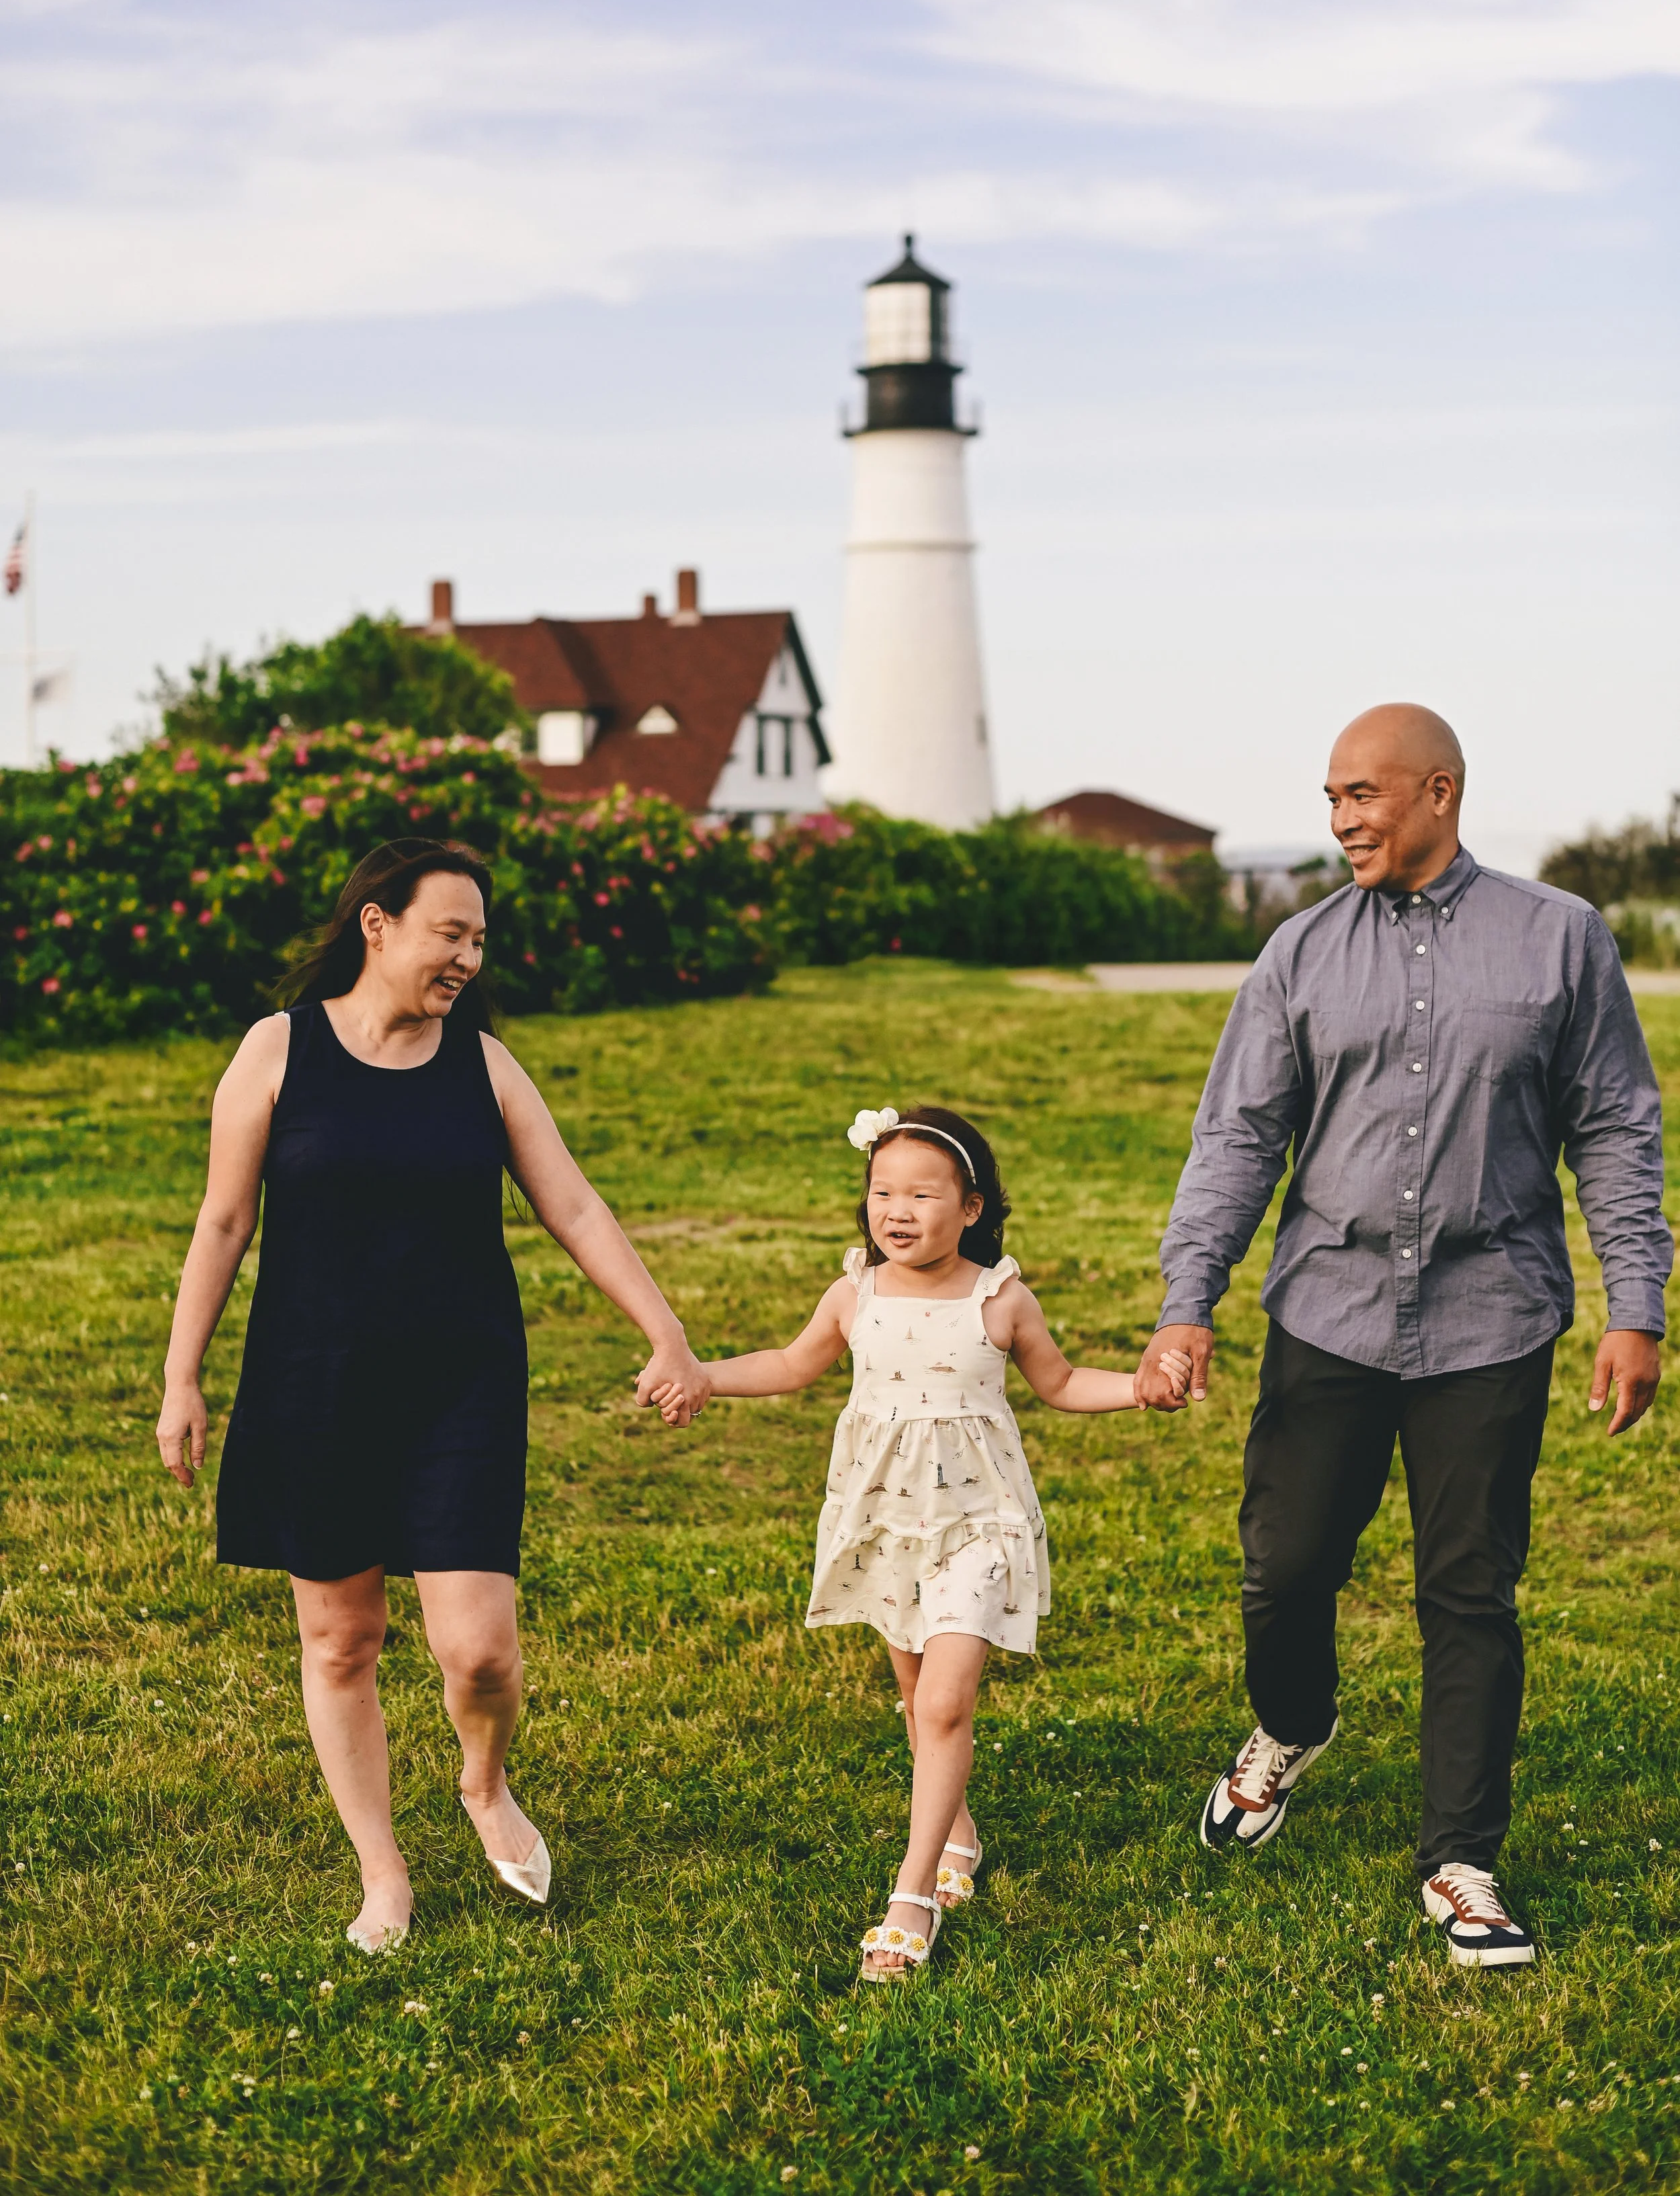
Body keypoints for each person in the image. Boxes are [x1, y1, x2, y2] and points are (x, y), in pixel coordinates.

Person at [1132, 705, 1669, 1968]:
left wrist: (1634, 1304)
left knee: (1469, 1590)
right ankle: (1294, 1723)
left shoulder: (1561, 940)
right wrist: (1186, 1300)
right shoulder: (1302, 952)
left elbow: (1616, 1130)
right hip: (1329, 1310)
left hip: (1495, 1320)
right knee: (1286, 1565)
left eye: (1362, 795)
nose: (1341, 822)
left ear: (1439, 792)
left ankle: (1460, 1860)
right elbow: (1238, 1140)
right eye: (1329, 800)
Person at [155, 837, 708, 1954]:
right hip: (314, 1381)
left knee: (481, 1653)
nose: (467, 956)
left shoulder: (486, 1065)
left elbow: (578, 1209)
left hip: (459, 1382)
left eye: (478, 940)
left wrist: (666, 1328)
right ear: (379, 925)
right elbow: (223, 1223)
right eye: (449, 933)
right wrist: (182, 1376)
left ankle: (483, 1782)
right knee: (342, 1638)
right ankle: (383, 1873)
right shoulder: (277, 1053)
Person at [645, 1103, 1189, 1978]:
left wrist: (1138, 1387)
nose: (897, 1210)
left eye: (923, 1195)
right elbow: (792, 1365)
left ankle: (913, 1893)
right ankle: (959, 1831)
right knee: (915, 1696)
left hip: (981, 1523)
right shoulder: (854, 1293)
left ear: (971, 1208)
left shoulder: (999, 1298)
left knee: (943, 1705)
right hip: (886, 1520)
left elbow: (1057, 1383)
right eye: (882, 1191)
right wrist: (705, 1377)